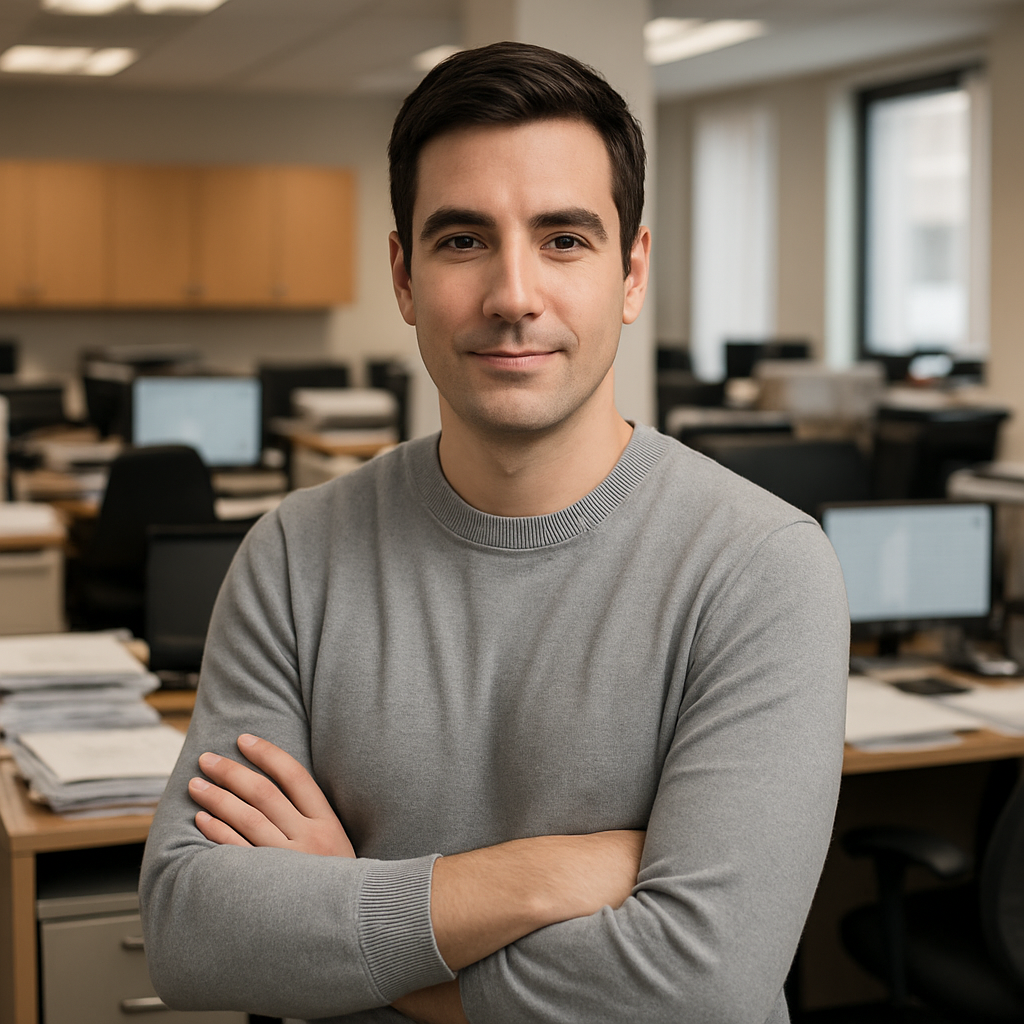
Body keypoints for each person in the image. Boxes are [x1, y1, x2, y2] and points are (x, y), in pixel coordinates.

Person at [139, 41, 849, 1024]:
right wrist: (535, 876)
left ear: (631, 272)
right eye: (463, 240)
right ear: (403, 275)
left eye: (564, 239)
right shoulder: (294, 554)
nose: (514, 295)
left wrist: (356, 918)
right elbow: (189, 929)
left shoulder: (761, 567)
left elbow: (704, 988)